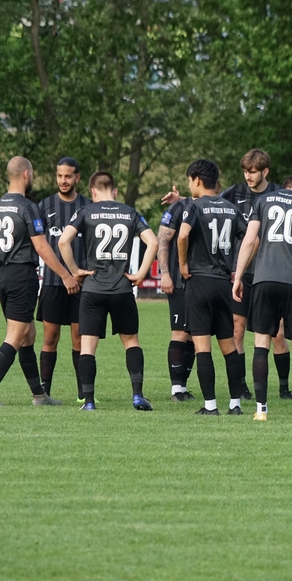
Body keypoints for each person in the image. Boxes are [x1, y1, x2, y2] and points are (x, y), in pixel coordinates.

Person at [163, 148, 292, 401]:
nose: (248, 176)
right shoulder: (233, 193)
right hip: (241, 273)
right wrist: (182, 200)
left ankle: (284, 388)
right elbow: (209, 205)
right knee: (237, 329)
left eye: (253, 172)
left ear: (265, 171)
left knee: (278, 333)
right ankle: (242, 387)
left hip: (266, 271)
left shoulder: (277, 194)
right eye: (245, 171)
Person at [0, 156, 79, 407]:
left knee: (28, 335)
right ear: (26, 175)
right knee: (16, 335)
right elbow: (42, 247)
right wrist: (66, 275)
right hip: (22, 276)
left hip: (3, 274)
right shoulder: (27, 207)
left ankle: (39, 396)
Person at [232, 175, 292, 422]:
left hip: (264, 280)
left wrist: (238, 277)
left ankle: (261, 410)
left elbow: (249, 241)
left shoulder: (263, 201)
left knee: (261, 344)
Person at [58, 171, 158, 411]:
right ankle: (137, 396)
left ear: (92, 192)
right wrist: (141, 274)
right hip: (122, 288)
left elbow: (63, 241)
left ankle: (89, 402)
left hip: (93, 289)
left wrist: (75, 271)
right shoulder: (130, 212)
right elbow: (153, 242)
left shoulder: (86, 211)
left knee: (87, 346)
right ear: (115, 191)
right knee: (131, 341)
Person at [176, 159, 248, 416]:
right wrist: (239, 269)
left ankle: (210, 406)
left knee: (202, 347)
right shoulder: (231, 208)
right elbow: (252, 238)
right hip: (222, 283)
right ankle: (235, 404)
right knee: (229, 347)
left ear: (196, 179)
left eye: (189, 181)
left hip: (199, 281)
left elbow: (183, 235)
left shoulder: (194, 206)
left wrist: (183, 264)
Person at [36, 157, 90, 401]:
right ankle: (44, 392)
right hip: (53, 283)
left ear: (77, 177)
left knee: (79, 339)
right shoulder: (44, 206)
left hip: (82, 284)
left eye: (68, 176)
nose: (63, 180)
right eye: (59, 175)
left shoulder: (88, 206)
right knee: (50, 338)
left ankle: (83, 394)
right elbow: (39, 244)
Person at [157, 195, 197, 402]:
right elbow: (162, 240)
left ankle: (182, 386)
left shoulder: (214, 204)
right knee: (180, 333)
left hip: (201, 282)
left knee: (193, 335)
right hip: (179, 281)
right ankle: (176, 389)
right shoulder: (178, 208)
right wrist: (165, 274)